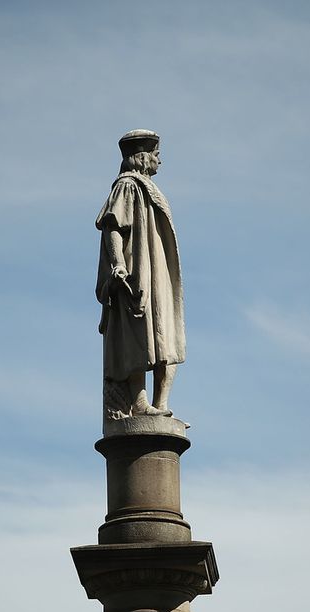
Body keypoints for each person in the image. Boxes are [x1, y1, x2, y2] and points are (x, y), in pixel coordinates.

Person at [95, 129, 185, 420]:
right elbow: (113, 225)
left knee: (167, 336)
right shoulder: (127, 186)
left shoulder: (148, 188)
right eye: (157, 155)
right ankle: (140, 401)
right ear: (143, 156)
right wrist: (118, 264)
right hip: (139, 270)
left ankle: (161, 403)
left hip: (159, 270)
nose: (161, 161)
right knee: (140, 335)